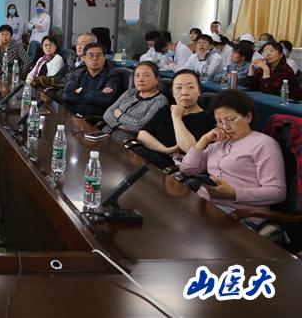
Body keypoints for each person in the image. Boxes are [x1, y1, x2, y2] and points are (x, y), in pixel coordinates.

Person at [180, 90, 286, 227]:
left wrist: (234, 194)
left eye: (230, 120)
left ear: (248, 117)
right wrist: (204, 140)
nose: (225, 127)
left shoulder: (264, 144)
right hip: (206, 204)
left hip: (241, 214)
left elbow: (277, 192)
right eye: (219, 121)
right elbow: (187, 169)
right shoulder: (219, 142)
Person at [134, 70, 216, 169]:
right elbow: (142, 134)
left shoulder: (206, 118)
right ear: (173, 93)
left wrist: (176, 118)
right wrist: (166, 150)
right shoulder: (166, 110)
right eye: (178, 88)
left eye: (190, 87)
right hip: (143, 158)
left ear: (199, 91)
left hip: (168, 168)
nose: (184, 92)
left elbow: (191, 150)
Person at [103, 61, 168, 142]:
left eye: (146, 75)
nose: (140, 79)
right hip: (103, 135)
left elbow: (140, 126)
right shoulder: (130, 92)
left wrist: (120, 116)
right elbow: (107, 113)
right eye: (137, 75)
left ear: (157, 79)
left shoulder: (159, 101)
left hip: (126, 143)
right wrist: (120, 126)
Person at [62, 43, 119, 118]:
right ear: (84, 58)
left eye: (98, 55)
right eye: (91, 55)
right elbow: (67, 95)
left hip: (91, 119)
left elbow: (105, 99)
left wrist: (81, 91)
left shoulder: (111, 76)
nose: (94, 58)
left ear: (104, 58)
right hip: (70, 115)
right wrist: (96, 97)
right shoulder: (78, 72)